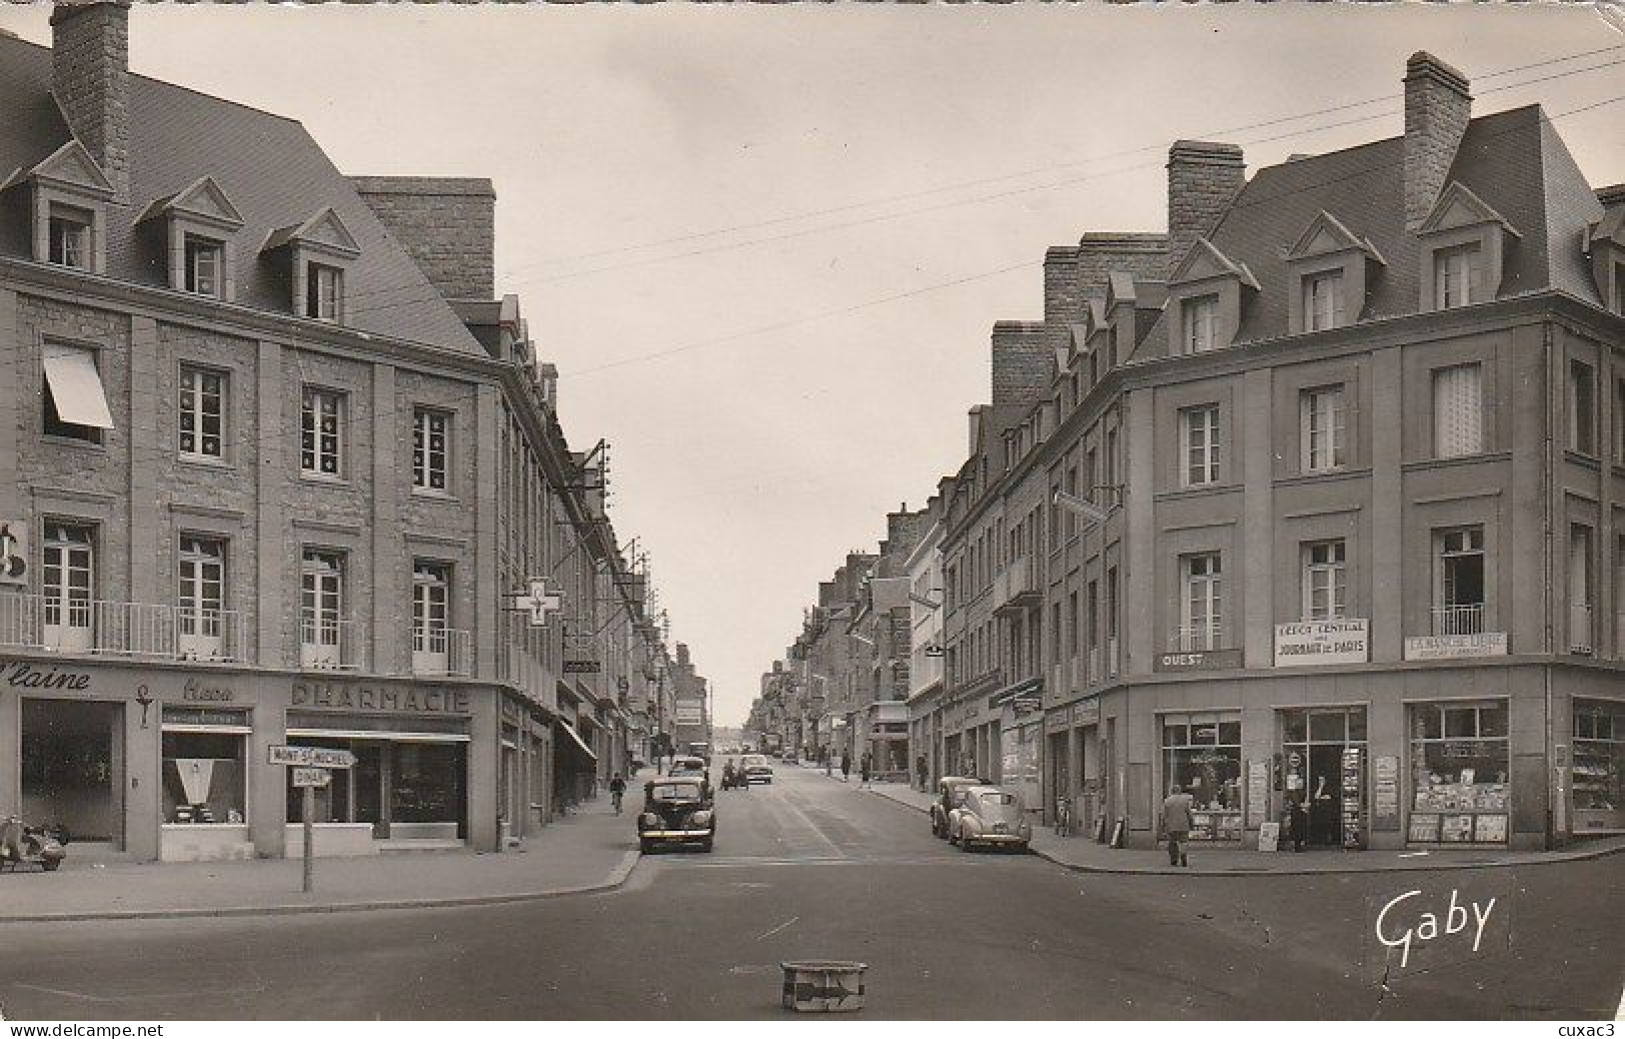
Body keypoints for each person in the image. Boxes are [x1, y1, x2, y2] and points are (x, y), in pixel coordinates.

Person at [1159, 782, 1195, 867]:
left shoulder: (1167, 801)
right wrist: (1191, 823)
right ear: (1179, 791)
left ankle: (1174, 859)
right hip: (1183, 824)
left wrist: (1162, 825)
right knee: (1184, 842)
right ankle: (1183, 855)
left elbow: (1163, 815)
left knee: (1173, 842)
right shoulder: (1185, 800)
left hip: (1171, 825)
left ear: (1172, 791)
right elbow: (1189, 813)